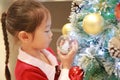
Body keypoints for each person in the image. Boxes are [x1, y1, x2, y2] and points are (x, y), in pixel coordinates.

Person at [1, 0, 78, 80]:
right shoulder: (27, 72)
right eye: (46, 30)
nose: (51, 34)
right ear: (25, 37)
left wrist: (64, 60)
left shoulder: (45, 51)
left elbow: (57, 74)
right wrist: (66, 66)